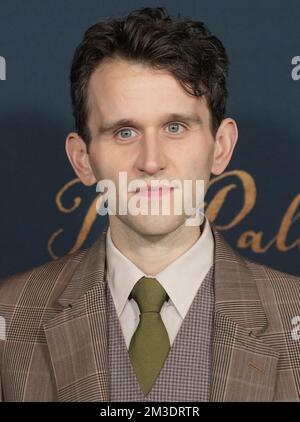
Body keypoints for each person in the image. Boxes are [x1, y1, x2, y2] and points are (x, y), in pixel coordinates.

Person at [0, 6, 299, 402]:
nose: (152, 161)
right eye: (124, 132)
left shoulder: (291, 318)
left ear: (221, 146)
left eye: (175, 127)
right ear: (83, 159)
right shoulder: (10, 316)